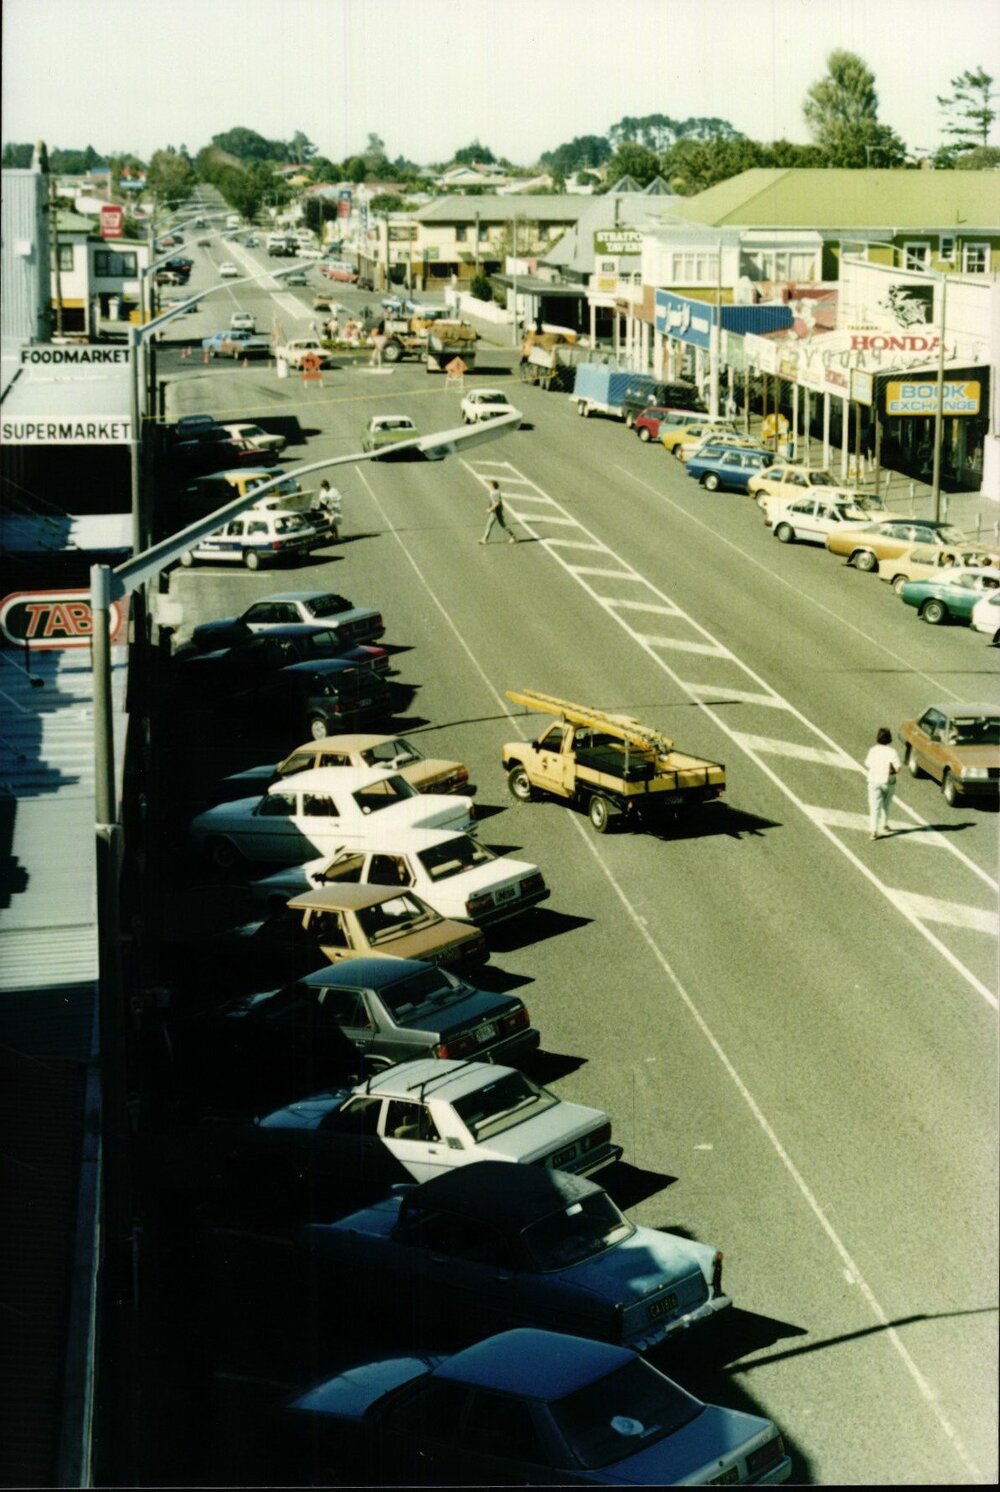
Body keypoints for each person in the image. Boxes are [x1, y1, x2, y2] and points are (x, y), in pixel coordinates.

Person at [864, 726, 901, 840]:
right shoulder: (892, 752)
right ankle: (883, 825)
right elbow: (898, 768)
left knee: (874, 807)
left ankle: (873, 831)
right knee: (886, 804)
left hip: (874, 780)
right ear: (889, 739)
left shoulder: (873, 750)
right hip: (888, 781)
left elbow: (867, 763)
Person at [479, 480, 516, 545]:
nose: (489, 486)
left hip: (496, 512)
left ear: (493, 486)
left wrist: (490, 509)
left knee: (500, 525)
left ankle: (513, 537)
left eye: (490, 485)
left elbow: (497, 503)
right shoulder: (493, 492)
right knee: (498, 525)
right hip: (495, 511)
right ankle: (484, 539)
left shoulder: (495, 493)